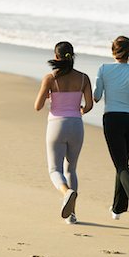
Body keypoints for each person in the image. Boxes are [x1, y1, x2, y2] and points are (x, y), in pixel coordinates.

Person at [34, 41, 93, 224]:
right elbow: (89, 105)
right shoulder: (83, 78)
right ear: (72, 56)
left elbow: (38, 106)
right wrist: (79, 111)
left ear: (56, 57)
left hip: (56, 125)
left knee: (54, 170)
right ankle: (72, 215)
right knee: (71, 169)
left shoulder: (50, 78)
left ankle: (66, 192)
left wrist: (51, 96)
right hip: (76, 124)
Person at [94, 36, 129, 227]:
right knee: (122, 163)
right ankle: (117, 208)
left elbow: (97, 96)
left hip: (112, 119)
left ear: (112, 50)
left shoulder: (103, 69)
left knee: (121, 164)